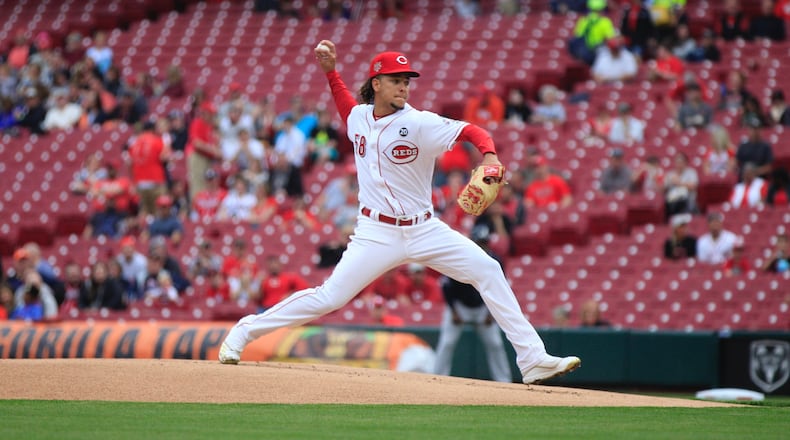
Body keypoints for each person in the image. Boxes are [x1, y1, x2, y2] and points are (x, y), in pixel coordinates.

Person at [219, 41, 581, 384]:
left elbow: (473, 129)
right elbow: (347, 107)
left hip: (425, 230)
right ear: (376, 83)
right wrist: (331, 73)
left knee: (487, 269)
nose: (404, 87)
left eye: (406, 81)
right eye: (395, 80)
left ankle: (532, 359)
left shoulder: (420, 123)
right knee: (329, 298)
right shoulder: (360, 117)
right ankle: (244, 331)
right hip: (376, 233)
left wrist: (489, 155)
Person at [433, 225, 513, 383]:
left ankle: (504, 381)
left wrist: (492, 313)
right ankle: (437, 378)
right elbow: (447, 286)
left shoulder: (495, 260)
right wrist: (454, 311)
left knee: (495, 344)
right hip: (459, 306)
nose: (482, 245)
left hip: (484, 307)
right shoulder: (461, 257)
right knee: (447, 343)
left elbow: (499, 288)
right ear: (473, 242)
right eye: (479, 242)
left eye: (484, 242)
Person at [128, 120, 170, 218]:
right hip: (156, 181)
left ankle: (143, 231)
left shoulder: (135, 143)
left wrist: (134, 179)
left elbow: (129, 163)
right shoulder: (157, 140)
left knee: (143, 211)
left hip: (140, 182)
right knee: (158, 212)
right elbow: (164, 157)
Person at [568, 0, 617, 65]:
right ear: (602, 8)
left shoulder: (583, 20)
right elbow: (611, 39)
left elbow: (577, 36)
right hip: (597, 54)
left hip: (584, 54)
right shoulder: (605, 22)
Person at [663, 152, 698, 218]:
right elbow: (663, 189)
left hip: (687, 201)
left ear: (685, 163)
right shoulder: (670, 174)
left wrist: (679, 183)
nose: (679, 164)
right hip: (672, 202)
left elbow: (693, 186)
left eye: (681, 162)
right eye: (677, 162)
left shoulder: (691, 172)